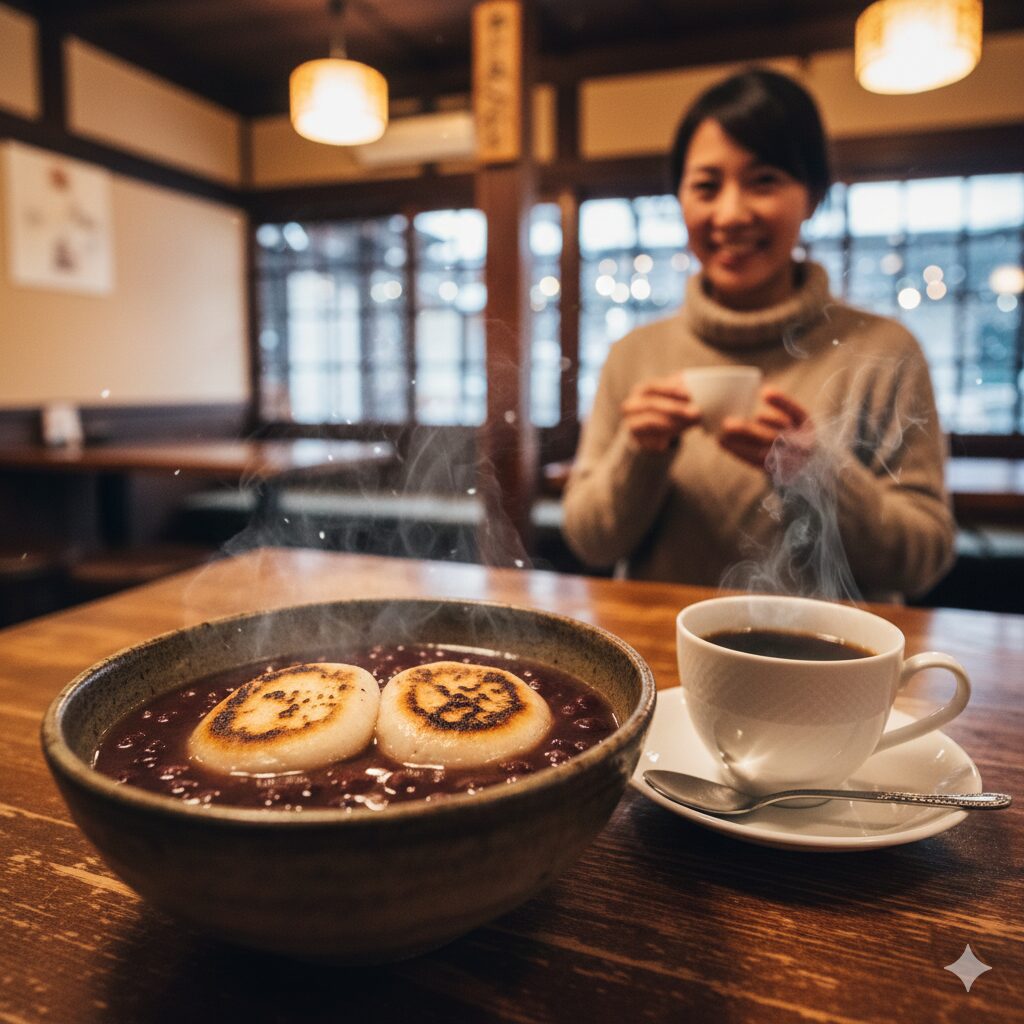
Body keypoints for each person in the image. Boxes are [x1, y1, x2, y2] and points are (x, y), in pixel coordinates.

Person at [561, 68, 955, 602]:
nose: (730, 213)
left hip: (828, 669)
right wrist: (640, 451)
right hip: (663, 659)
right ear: (680, 199)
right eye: (705, 186)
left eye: (764, 180)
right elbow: (591, 542)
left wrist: (819, 474)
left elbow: (922, 558)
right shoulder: (637, 355)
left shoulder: (883, 351)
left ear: (813, 196)